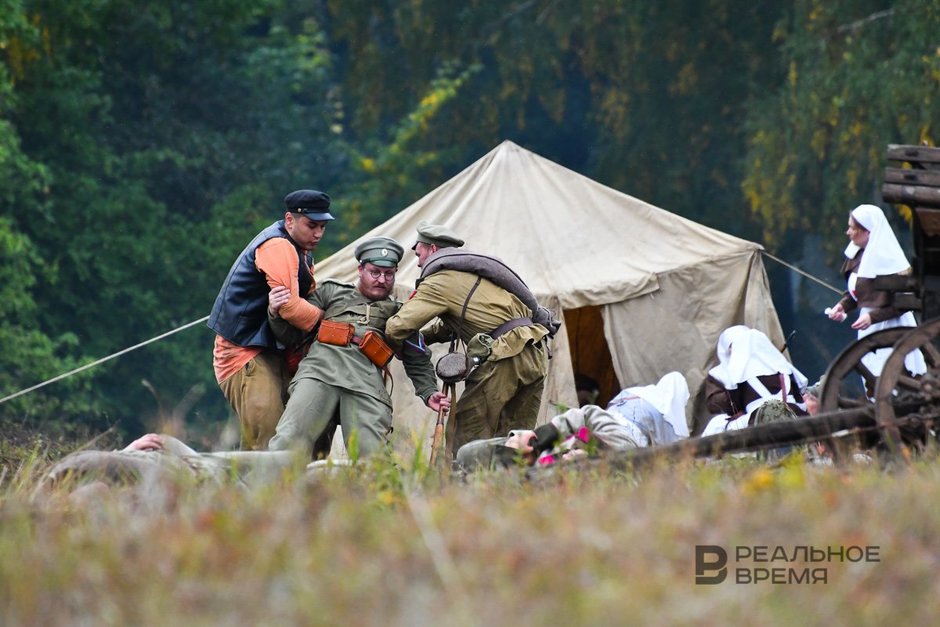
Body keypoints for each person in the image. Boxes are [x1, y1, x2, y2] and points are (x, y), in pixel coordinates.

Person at [267, 236, 450, 459]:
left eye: (389, 273)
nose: (382, 279)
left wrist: (429, 392)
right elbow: (291, 335)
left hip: (365, 384)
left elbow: (417, 357)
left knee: (373, 459)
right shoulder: (330, 292)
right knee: (288, 442)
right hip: (319, 373)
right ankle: (263, 491)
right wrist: (275, 313)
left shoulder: (400, 312)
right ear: (360, 269)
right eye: (375, 272)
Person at [385, 221, 556, 458]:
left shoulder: (440, 281)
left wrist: (402, 347)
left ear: (433, 250)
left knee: (467, 435)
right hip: (534, 351)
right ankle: (513, 490)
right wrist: (425, 338)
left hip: (504, 356)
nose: (418, 261)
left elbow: (398, 327)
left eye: (419, 252)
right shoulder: (473, 275)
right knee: (517, 438)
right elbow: (454, 324)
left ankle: (460, 490)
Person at [207, 189, 333, 451]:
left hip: (269, 354)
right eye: (312, 225)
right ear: (290, 220)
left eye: (322, 226)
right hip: (242, 355)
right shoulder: (278, 245)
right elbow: (290, 307)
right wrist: (333, 323)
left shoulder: (301, 249)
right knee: (266, 444)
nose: (318, 233)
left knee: (298, 434)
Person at [826, 203, 926, 382]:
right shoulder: (857, 257)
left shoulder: (890, 260)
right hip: (868, 329)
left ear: (868, 231)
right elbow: (859, 293)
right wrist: (842, 306)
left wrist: (873, 317)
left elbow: (904, 303)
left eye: (852, 228)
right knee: (872, 379)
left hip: (892, 328)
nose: (847, 232)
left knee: (890, 379)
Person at [455, 404, 645, 471]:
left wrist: (551, 430)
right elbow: (630, 455)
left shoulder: (541, 453)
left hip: (624, 414)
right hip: (641, 422)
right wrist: (592, 452)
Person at [701, 325, 809, 437]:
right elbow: (799, 396)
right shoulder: (781, 366)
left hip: (758, 419)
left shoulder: (737, 375)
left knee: (715, 427)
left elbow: (734, 406)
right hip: (795, 413)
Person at [605, 371, 691, 446]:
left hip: (604, 420)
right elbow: (672, 450)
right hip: (627, 435)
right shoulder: (665, 412)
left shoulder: (639, 392)